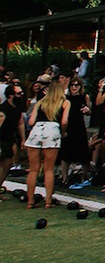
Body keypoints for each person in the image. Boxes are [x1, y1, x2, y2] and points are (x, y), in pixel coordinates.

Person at [24, 77, 69, 208]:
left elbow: (31, 122)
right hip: (52, 129)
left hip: (37, 129)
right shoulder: (65, 102)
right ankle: (48, 201)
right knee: (49, 169)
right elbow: (64, 121)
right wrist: (63, 132)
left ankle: (30, 201)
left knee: (33, 169)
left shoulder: (40, 102)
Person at [60, 76, 91, 186]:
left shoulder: (84, 97)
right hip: (68, 126)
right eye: (72, 85)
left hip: (79, 126)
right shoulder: (65, 97)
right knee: (66, 153)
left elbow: (89, 112)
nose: (74, 87)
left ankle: (84, 176)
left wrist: (87, 110)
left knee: (83, 152)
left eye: (76, 85)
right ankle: (64, 178)